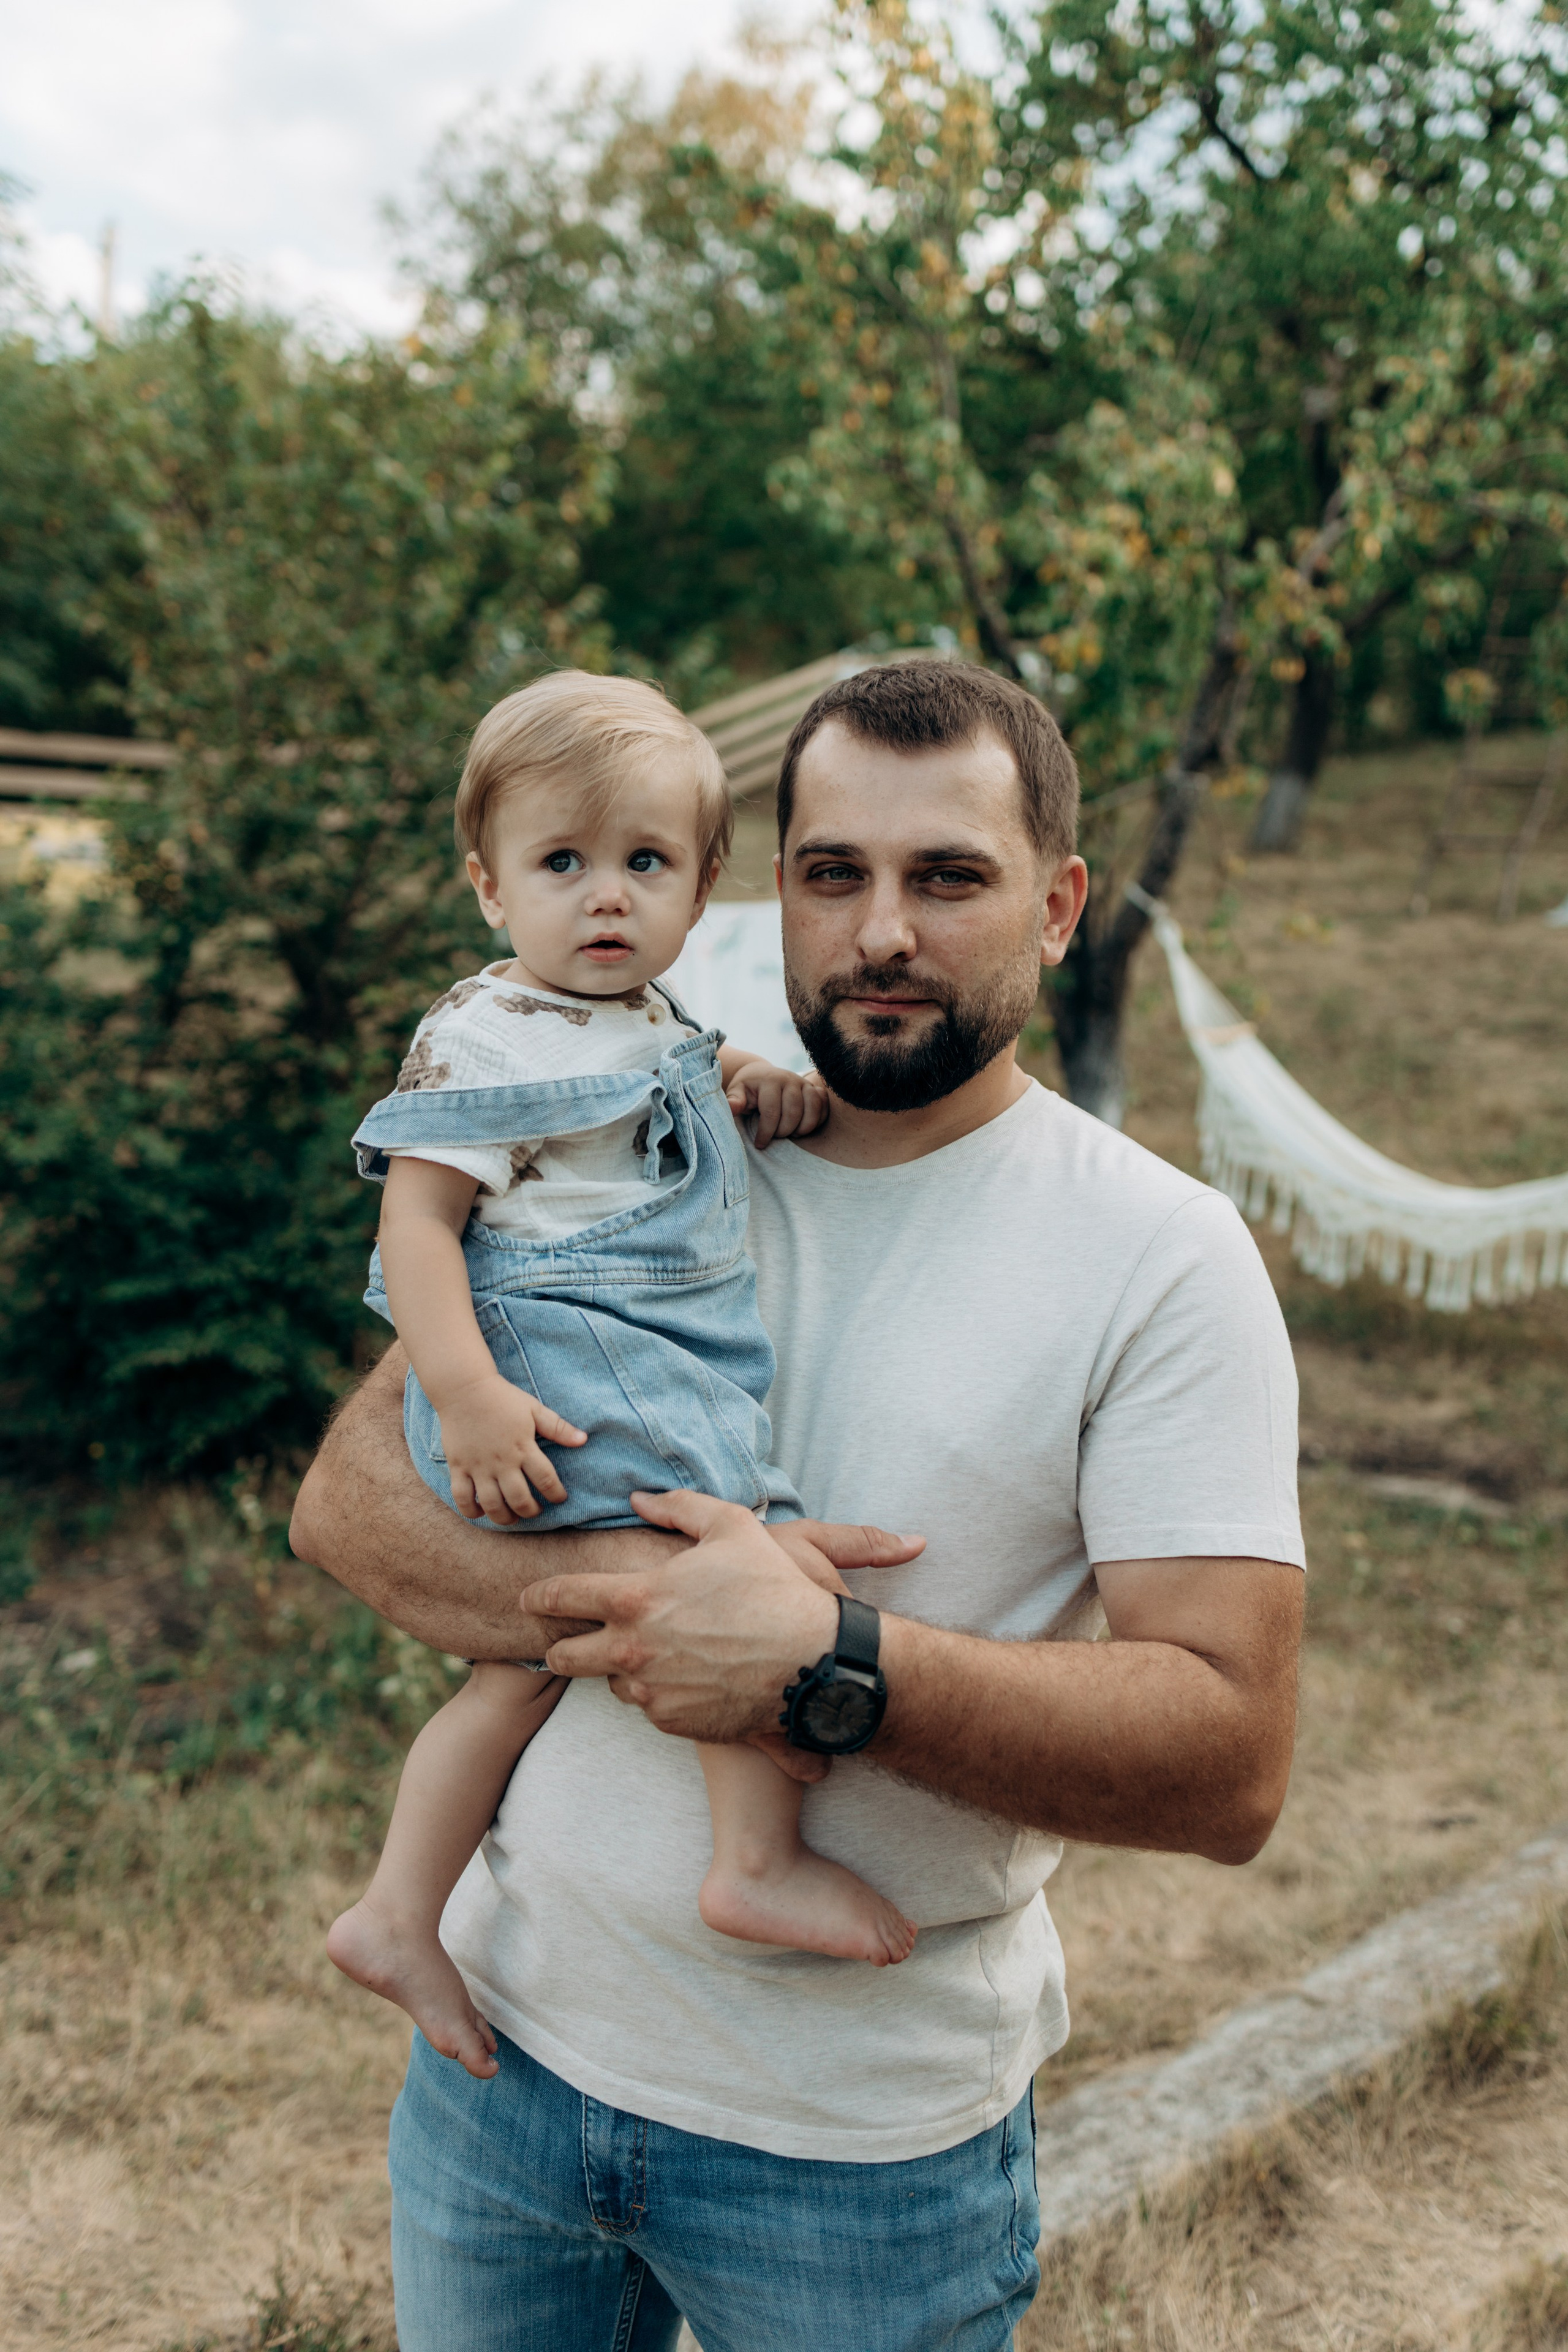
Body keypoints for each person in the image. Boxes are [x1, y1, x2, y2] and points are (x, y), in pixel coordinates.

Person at [291, 658, 1306, 2352]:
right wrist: (670, 1601)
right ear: (771, 892)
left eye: (949, 877)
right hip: (506, 2076)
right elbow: (351, 1505)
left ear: (1057, 906)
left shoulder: (1160, 1256)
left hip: (855, 2163)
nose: (883, 930)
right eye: (834, 874)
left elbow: (1232, 1758)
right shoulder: (641, 1127)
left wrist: (829, 1659)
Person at [327, 673, 919, 2082]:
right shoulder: (485, 1038)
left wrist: (752, 1087)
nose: (604, 898)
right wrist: (465, 1397)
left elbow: (662, 1101)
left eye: (643, 863)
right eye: (561, 864)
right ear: (487, 884)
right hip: (552, 1354)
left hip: (617, 1342)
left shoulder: (648, 1022)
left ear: (705, 883)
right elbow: (417, 1228)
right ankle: (752, 1859)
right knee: (732, 1554)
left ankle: (398, 1909)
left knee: (510, 1672)